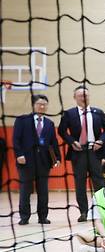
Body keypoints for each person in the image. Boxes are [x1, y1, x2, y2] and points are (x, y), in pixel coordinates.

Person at [58, 86, 105, 222]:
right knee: (80, 183)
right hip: (78, 152)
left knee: (99, 181)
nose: (84, 98)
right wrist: (72, 142)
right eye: (80, 95)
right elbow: (62, 131)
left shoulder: (98, 112)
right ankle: (84, 212)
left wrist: (101, 141)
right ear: (75, 97)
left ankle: (101, 210)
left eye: (86, 95)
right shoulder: (69, 113)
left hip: (95, 151)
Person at [13, 94, 61, 225]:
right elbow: (16, 139)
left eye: (44, 104)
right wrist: (19, 155)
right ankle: (24, 217)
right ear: (33, 105)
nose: (42, 106)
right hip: (26, 161)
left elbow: (53, 142)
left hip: (43, 162)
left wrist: (57, 157)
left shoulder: (50, 123)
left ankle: (43, 217)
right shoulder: (22, 120)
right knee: (25, 190)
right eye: (39, 104)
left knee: (43, 191)